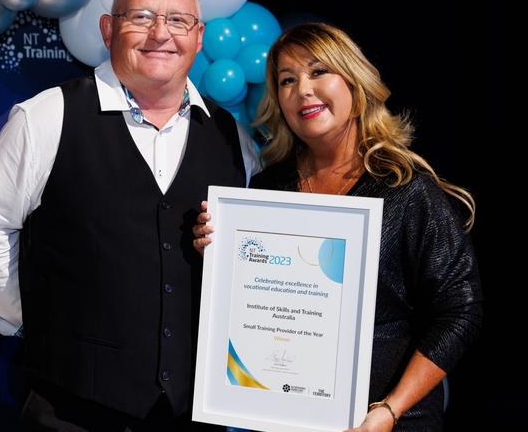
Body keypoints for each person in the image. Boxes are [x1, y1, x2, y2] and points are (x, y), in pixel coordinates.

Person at [0, 0, 259, 431]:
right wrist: (32, 315)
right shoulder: (47, 117)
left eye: (178, 20)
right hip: (70, 410)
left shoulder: (230, 137)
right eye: (140, 16)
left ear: (198, 38)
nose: (161, 33)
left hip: (191, 412)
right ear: (107, 28)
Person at [193, 23, 482, 432]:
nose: (303, 90)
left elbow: (461, 311)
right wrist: (219, 257)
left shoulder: (406, 190)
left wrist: (390, 410)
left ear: (354, 82)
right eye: (287, 80)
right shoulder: (267, 189)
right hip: (283, 420)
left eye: (318, 72)